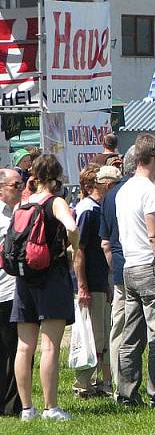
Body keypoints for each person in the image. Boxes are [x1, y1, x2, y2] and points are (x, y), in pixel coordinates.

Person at [13, 155, 80, 421]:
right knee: (50, 346)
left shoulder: (24, 203)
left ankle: (27, 409)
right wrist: (73, 246)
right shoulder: (56, 202)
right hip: (50, 275)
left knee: (24, 346)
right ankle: (51, 408)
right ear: (57, 176)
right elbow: (72, 226)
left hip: (23, 277)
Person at [115, 134, 155, 408]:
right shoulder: (150, 191)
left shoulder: (124, 190)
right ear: (153, 158)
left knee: (131, 335)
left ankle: (126, 393)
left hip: (129, 267)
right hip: (150, 267)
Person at [72, 164, 113, 399]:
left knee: (102, 333)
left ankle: (102, 381)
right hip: (90, 282)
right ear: (90, 186)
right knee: (92, 334)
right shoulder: (88, 210)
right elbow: (79, 250)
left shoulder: (99, 208)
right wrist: (82, 285)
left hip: (100, 280)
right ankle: (83, 385)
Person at [99, 148, 132, 397]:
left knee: (118, 329)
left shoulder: (108, 198)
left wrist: (113, 267)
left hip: (121, 269)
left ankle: (120, 387)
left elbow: (105, 242)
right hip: (145, 267)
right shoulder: (142, 191)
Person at [0, 168, 23, 416]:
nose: (21, 187)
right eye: (15, 185)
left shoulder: (21, 212)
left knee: (13, 349)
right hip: (3, 287)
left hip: (12, 290)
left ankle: (10, 404)